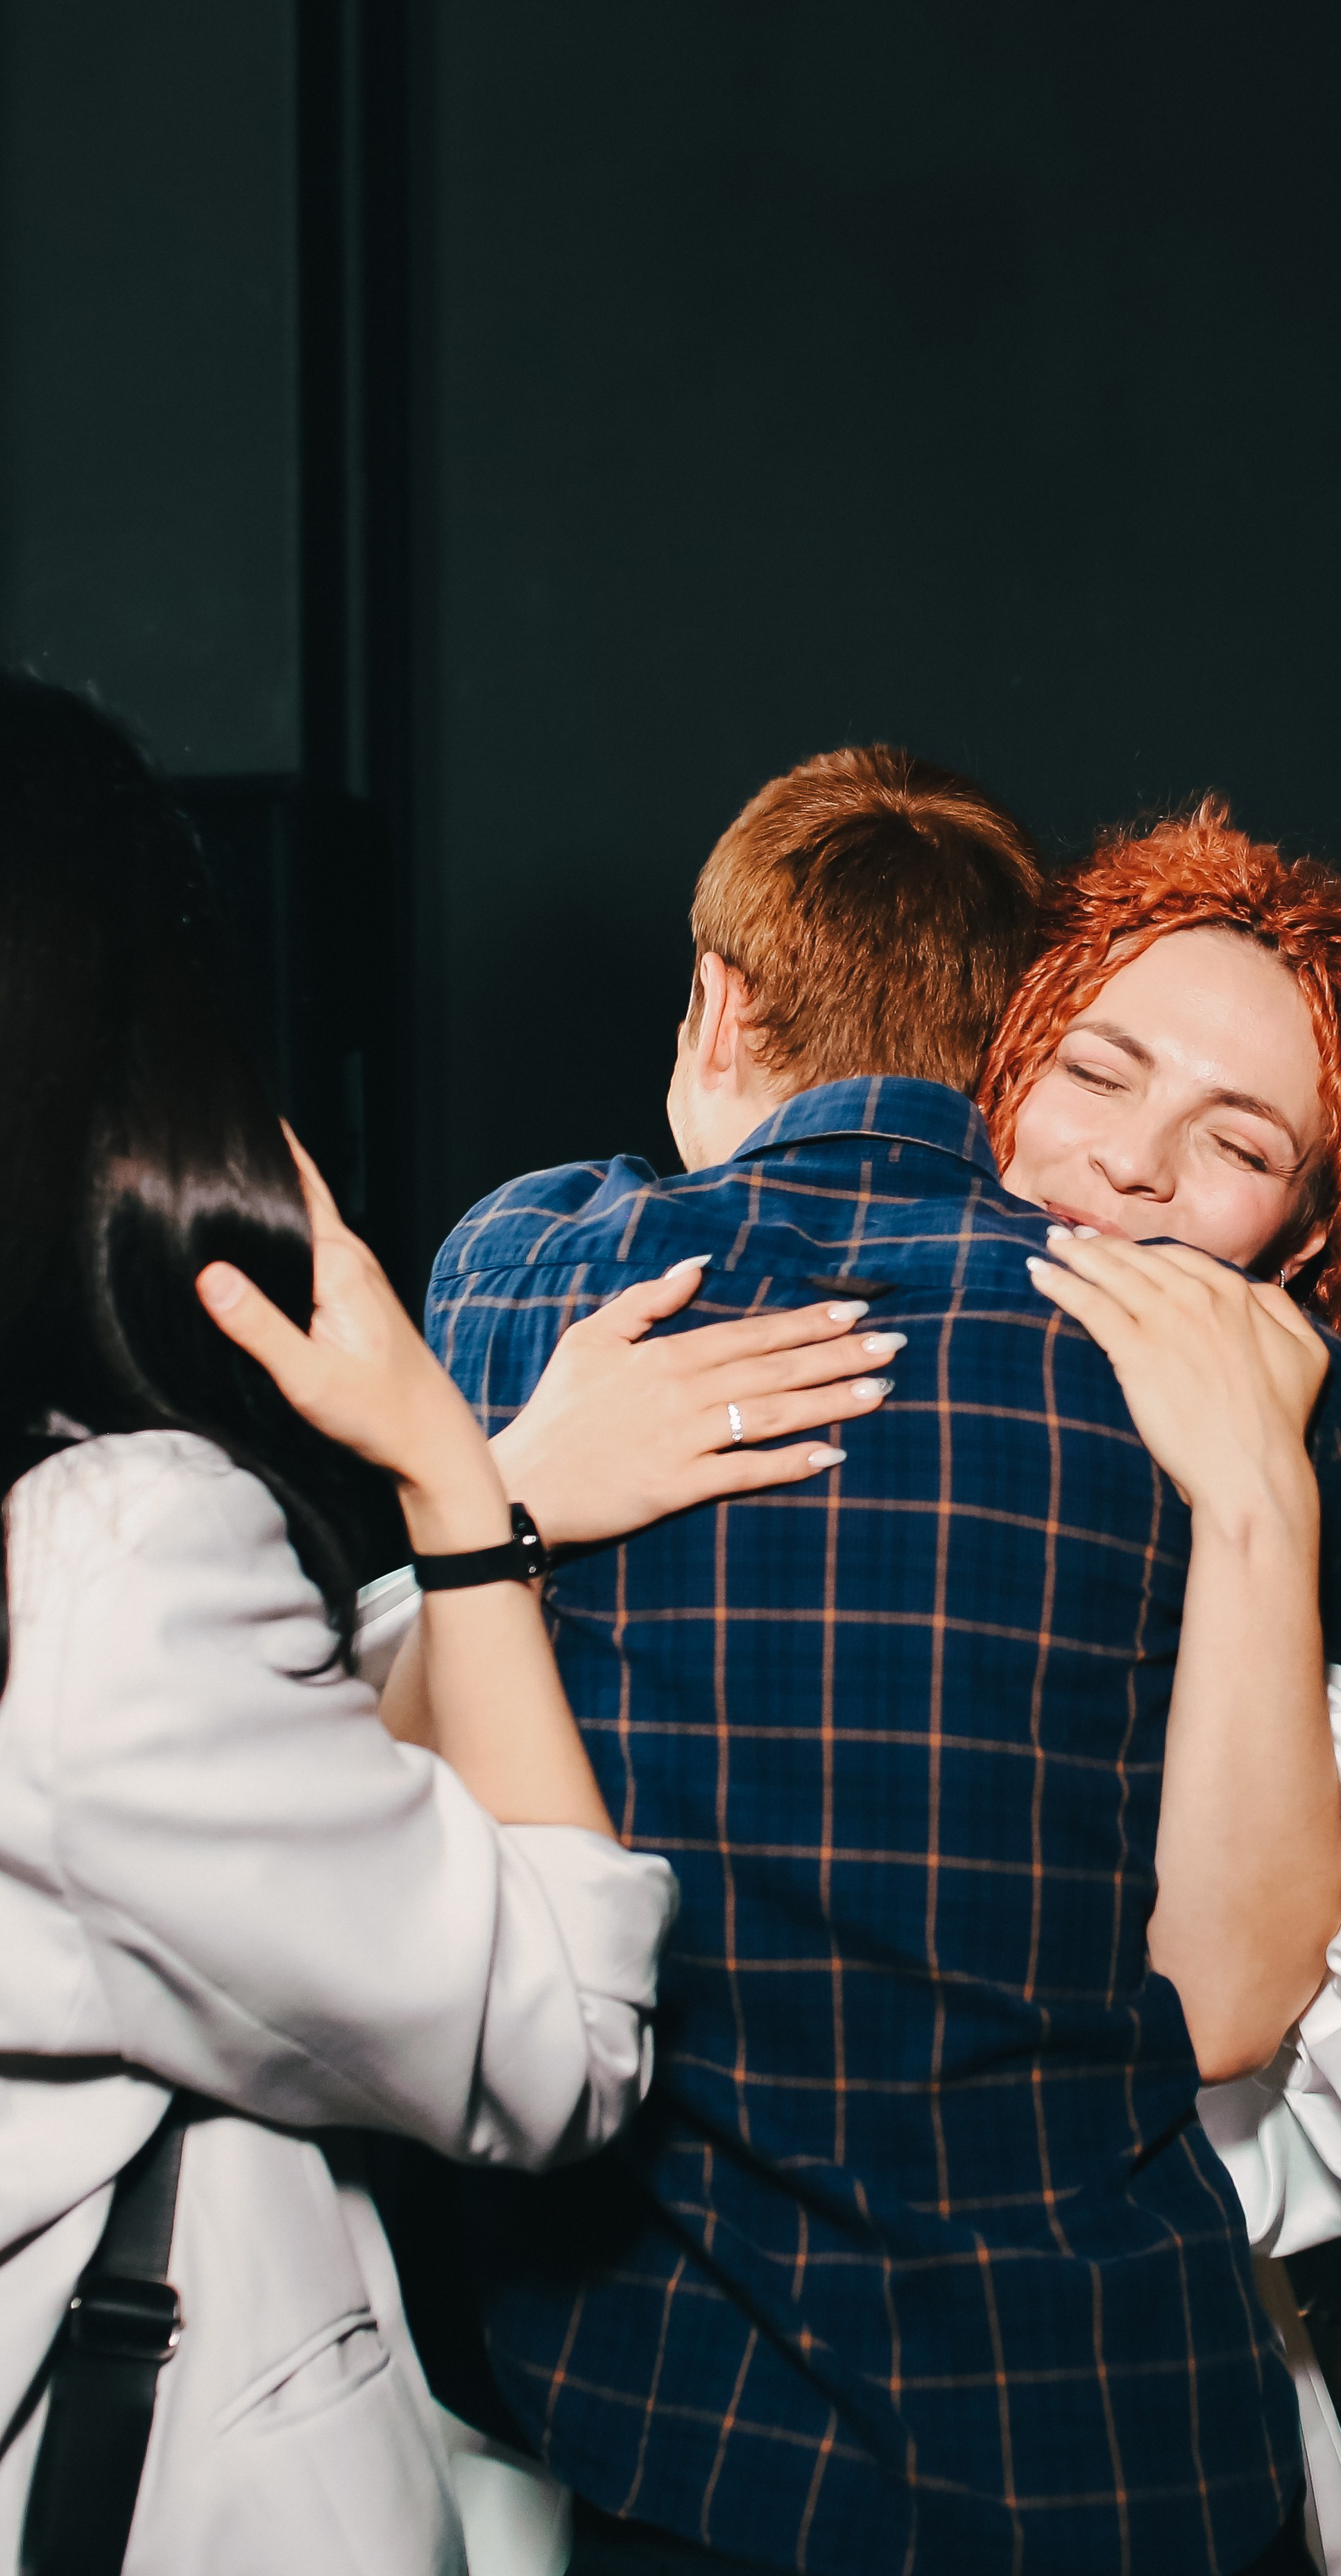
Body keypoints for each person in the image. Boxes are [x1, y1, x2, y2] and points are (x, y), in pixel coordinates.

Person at [420, 749, 1341, 2575]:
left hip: (728, 2414)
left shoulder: (540, 1261)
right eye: (1099, 1073)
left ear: (1298, 1233)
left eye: (1238, 1144)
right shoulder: (631, 1306)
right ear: (989, 1045)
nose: (1133, 1162)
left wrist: (1271, 1467)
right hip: (1043, 2432)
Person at [0, 678, 897, 2576]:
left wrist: (508, 1496)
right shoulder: (114, 1548)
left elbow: (215, 1787)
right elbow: (561, 2043)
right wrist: (448, 1478)